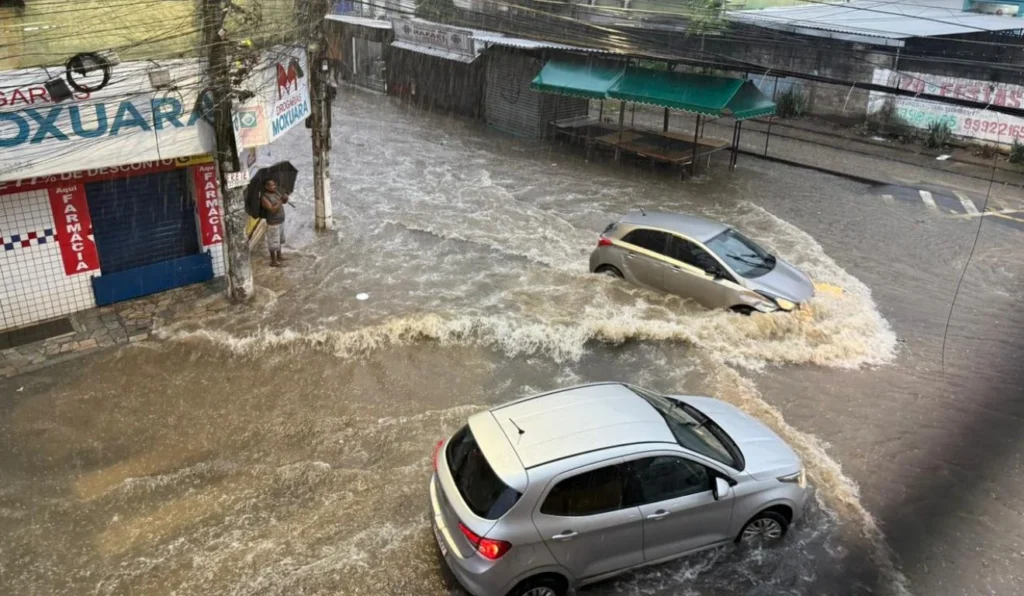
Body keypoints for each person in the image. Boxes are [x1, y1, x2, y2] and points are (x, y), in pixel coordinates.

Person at [260, 179, 289, 267]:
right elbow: (272, 209)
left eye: (274, 185)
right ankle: (273, 261)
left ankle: (279, 256)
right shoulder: (264, 198)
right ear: (266, 187)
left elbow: (283, 202)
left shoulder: (276, 193)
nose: (274, 186)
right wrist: (280, 201)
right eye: (271, 185)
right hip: (273, 223)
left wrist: (285, 198)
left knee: (279, 240)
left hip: (280, 221)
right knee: (273, 242)